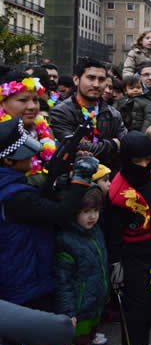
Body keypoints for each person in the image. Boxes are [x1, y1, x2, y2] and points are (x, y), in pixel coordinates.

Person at [0, 116, 96, 325]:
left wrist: (58, 177)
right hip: (26, 284)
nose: (32, 158)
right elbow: (61, 213)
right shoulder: (15, 196)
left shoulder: (12, 185)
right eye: (25, 154)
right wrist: (81, 179)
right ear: (8, 160)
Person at [107, 132, 151, 345]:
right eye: (137, 161)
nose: (143, 165)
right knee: (134, 309)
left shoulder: (150, 177)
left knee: (150, 305)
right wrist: (116, 262)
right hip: (131, 255)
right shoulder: (118, 191)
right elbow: (112, 232)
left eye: (147, 160)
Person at [53, 186, 108, 345]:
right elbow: (63, 282)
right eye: (86, 212)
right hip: (79, 309)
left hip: (95, 304)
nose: (92, 216)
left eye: (96, 211)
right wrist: (69, 313)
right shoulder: (66, 241)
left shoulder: (95, 231)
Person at [50, 58, 127, 172]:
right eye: (91, 78)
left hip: (109, 176)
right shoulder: (61, 112)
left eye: (101, 79)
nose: (96, 84)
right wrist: (113, 145)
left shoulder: (113, 114)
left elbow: (124, 145)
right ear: (76, 80)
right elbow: (74, 149)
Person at [0, 70, 56, 186]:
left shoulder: (44, 130)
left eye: (35, 100)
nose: (32, 107)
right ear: (2, 103)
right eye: (23, 100)